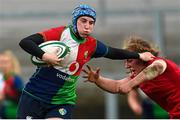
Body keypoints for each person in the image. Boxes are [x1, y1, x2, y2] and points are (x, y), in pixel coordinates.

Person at [18, 4, 153, 119]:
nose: (87, 26)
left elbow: (113, 52)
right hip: (34, 95)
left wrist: (139, 56)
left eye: (91, 22)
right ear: (75, 21)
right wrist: (44, 55)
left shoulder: (92, 45)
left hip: (63, 101)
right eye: (83, 21)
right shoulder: (60, 33)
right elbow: (25, 42)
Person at [82, 36, 180, 119]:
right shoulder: (138, 76)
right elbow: (117, 86)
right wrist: (98, 80)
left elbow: (157, 67)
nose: (126, 66)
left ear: (142, 58)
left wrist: (130, 84)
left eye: (129, 60)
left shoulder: (157, 62)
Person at [0, 50, 24, 119]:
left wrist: (6, 96)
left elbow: (22, 97)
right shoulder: (3, 77)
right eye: (1, 62)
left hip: (13, 113)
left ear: (12, 63)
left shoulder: (15, 79)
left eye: (5, 62)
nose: (3, 65)